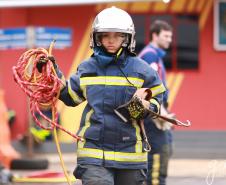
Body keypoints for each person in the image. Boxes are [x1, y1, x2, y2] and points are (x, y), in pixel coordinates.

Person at [42, 7, 166, 185]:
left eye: (117, 36)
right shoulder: (87, 68)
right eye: (106, 35)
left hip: (130, 156)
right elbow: (71, 97)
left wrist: (148, 106)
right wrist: (52, 75)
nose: (111, 40)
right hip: (93, 154)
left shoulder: (141, 70)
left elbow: (157, 96)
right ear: (97, 37)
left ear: (127, 38)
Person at [138, 20, 173, 185]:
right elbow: (150, 87)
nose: (169, 40)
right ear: (154, 35)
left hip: (156, 114)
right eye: (166, 36)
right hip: (154, 117)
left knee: (162, 154)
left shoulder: (154, 54)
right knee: (158, 156)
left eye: (170, 36)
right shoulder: (150, 55)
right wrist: (161, 113)